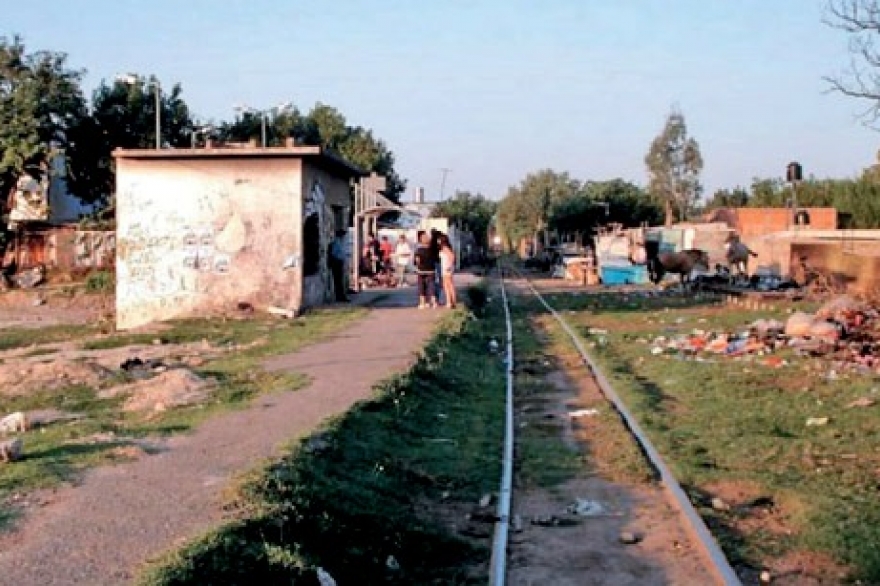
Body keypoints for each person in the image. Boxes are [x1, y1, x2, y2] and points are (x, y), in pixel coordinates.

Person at [413, 230, 437, 309]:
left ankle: (422, 303)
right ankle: (433, 302)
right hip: (431, 270)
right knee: (431, 286)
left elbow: (417, 261)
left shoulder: (419, 250)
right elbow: (436, 259)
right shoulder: (433, 249)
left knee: (421, 286)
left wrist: (417, 265)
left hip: (421, 270)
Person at [328, 229, 349, 302]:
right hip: (337, 263)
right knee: (338, 281)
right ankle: (340, 297)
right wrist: (339, 259)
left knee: (339, 281)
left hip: (339, 262)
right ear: (341, 235)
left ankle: (340, 296)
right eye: (344, 235)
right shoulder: (337, 242)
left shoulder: (339, 242)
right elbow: (334, 253)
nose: (344, 237)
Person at [439, 234, 457, 309]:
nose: (438, 241)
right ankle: (450, 301)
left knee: (448, 285)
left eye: (439, 239)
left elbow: (452, 257)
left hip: (447, 268)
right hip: (445, 267)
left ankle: (451, 302)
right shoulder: (445, 248)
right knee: (447, 285)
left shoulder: (445, 248)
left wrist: (449, 266)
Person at [430, 229, 444, 306]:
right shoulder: (438, 245)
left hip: (431, 264)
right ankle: (437, 298)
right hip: (438, 263)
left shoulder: (430, 244)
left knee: (433, 281)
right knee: (439, 281)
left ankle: (433, 299)